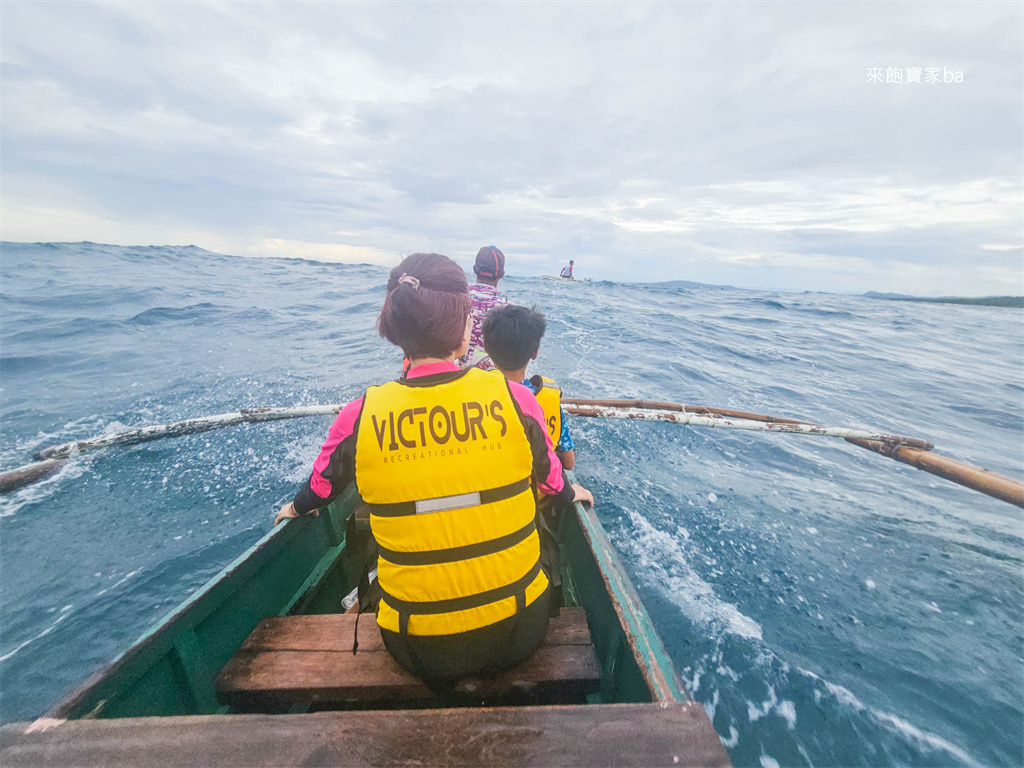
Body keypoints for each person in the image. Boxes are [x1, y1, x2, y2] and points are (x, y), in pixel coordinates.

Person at [275, 253, 594, 685]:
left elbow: (318, 489)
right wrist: (573, 494)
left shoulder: (361, 414)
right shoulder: (518, 400)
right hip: (520, 630)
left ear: (397, 329)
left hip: (415, 646)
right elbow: (554, 483)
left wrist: (295, 509)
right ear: (465, 330)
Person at [482, 305, 574, 470]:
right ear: (535, 352)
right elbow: (569, 463)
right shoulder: (548, 398)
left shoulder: (477, 394)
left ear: (486, 348)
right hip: (540, 491)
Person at [457, 245, 509, 370]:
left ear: (475, 269)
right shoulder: (506, 305)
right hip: (489, 376)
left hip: (456, 373)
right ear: (502, 274)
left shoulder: (458, 297)